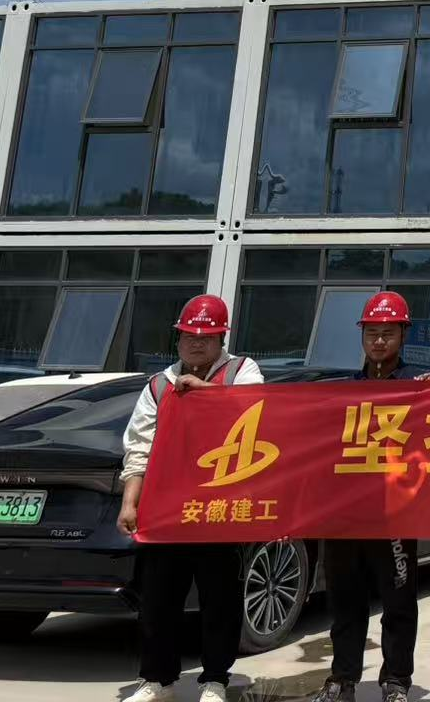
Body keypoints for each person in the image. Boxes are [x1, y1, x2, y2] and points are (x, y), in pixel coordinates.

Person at [118, 294, 265, 702]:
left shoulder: (241, 371)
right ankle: (157, 679)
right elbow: (139, 447)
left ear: (222, 339)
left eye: (207, 337)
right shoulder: (158, 384)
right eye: (189, 336)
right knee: (158, 598)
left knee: (220, 598)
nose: (196, 344)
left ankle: (214, 679)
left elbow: (256, 411)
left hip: (219, 505)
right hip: (167, 508)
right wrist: (130, 502)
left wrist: (206, 393)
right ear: (178, 338)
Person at [310, 291, 430, 702]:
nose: (379, 341)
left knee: (398, 601)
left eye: (388, 333)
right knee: (345, 602)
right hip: (346, 517)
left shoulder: (420, 387)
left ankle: (396, 679)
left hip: (395, 515)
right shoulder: (344, 392)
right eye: (371, 333)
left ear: (403, 335)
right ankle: (342, 678)